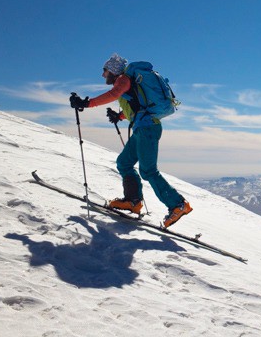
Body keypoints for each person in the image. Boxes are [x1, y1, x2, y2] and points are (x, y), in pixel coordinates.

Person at [69, 53, 192, 228]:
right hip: (143, 128)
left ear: (112, 70)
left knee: (148, 171)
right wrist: (119, 116)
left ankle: (178, 205)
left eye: (105, 70)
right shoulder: (129, 83)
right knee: (124, 163)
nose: (103, 75)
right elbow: (137, 109)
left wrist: (86, 103)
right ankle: (133, 201)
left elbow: (114, 93)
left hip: (147, 129)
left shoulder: (123, 79)